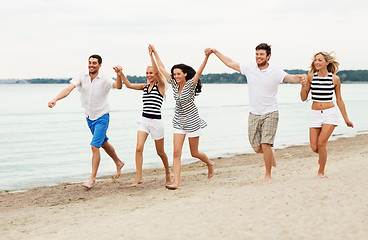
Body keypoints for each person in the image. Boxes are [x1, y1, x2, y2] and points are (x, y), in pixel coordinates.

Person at [209, 43, 307, 183]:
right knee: (257, 148)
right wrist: (215, 51)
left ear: (268, 56)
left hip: (270, 111)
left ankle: (267, 174)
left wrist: (302, 78)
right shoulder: (249, 68)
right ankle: (270, 155)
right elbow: (230, 63)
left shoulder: (275, 71)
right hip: (254, 113)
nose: (258, 57)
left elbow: (291, 78)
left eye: (261, 54)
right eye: (257, 54)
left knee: (266, 144)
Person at [48, 54, 125, 189]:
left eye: (94, 63)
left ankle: (92, 179)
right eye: (90, 62)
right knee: (103, 143)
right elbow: (69, 89)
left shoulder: (105, 79)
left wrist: (119, 74)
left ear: (100, 65)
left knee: (94, 146)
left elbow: (118, 86)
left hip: (102, 116)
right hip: (89, 117)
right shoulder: (82, 76)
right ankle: (118, 162)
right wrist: (56, 99)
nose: (91, 65)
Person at [150, 44, 214, 190]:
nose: (176, 76)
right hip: (178, 121)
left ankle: (209, 163)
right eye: (174, 74)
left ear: (185, 74)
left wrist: (206, 56)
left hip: (192, 121)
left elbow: (200, 70)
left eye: (178, 74)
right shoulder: (173, 84)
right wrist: (154, 53)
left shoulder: (191, 84)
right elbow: (161, 68)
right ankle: (176, 183)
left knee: (194, 153)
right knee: (176, 153)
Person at [114, 47, 171, 187]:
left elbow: (158, 72)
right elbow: (128, 85)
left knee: (160, 152)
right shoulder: (145, 87)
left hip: (156, 122)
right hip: (144, 121)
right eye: (147, 73)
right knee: (139, 148)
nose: (149, 75)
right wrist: (120, 73)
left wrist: (151, 55)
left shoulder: (161, 86)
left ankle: (168, 173)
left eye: (151, 73)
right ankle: (139, 177)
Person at [300, 52, 353, 178]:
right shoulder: (311, 77)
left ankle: (321, 172)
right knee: (314, 147)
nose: (317, 62)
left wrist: (346, 119)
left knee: (321, 144)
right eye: (315, 60)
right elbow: (303, 98)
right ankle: (322, 157)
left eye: (319, 60)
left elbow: (339, 100)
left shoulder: (335, 79)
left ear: (326, 63)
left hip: (330, 114)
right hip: (315, 114)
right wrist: (303, 86)